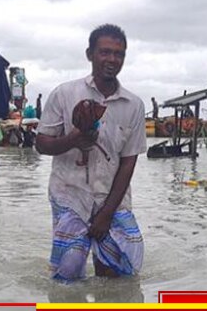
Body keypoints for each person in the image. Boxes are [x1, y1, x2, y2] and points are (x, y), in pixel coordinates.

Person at [35, 24, 146, 282]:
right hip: (69, 194)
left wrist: (106, 214)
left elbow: (128, 163)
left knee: (120, 272)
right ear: (90, 54)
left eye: (119, 54)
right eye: (105, 52)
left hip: (112, 197)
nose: (112, 59)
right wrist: (73, 139)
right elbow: (41, 144)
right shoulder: (65, 94)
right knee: (69, 273)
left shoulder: (134, 105)